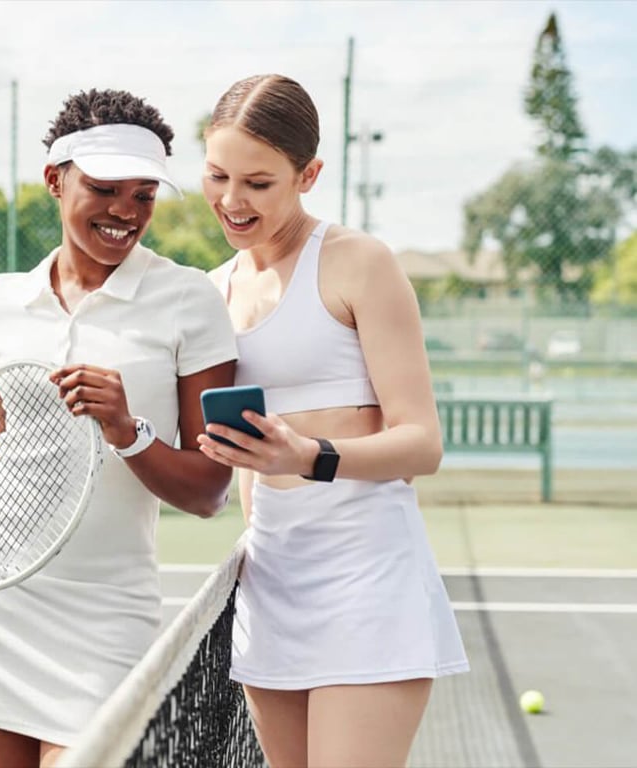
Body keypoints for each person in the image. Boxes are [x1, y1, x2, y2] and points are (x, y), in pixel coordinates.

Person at [0, 88, 238, 768]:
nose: (127, 211)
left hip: (110, 616)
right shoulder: (1, 305)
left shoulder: (189, 300)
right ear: (55, 182)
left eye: (144, 194)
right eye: (104, 188)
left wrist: (128, 430)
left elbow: (210, 491)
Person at [196, 74, 469, 768]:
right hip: (270, 584)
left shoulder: (358, 262)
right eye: (218, 175)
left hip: (368, 581)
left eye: (258, 182)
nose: (232, 200)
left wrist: (310, 455)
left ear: (308, 174)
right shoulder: (210, 292)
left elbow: (422, 443)